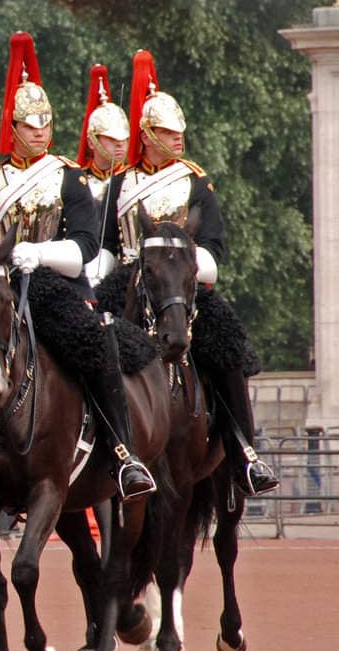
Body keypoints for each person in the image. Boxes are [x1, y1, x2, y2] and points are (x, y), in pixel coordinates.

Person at [0, 32, 155, 501]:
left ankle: (123, 452)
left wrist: (41, 254)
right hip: (1, 290)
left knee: (97, 345)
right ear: (12, 127)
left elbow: (87, 246)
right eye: (31, 126)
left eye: (45, 125)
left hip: (58, 291)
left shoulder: (68, 178)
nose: (40, 133)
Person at [104, 50, 277, 496]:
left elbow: (214, 247)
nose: (177, 139)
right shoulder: (119, 184)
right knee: (88, 345)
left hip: (184, 287)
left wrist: (184, 268)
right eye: (166, 132)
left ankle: (245, 453)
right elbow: (104, 246)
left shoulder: (196, 182)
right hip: (127, 283)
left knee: (227, 349)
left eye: (179, 132)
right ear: (146, 135)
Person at [77, 64, 129, 283]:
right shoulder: (76, 181)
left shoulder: (133, 181)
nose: (120, 146)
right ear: (92, 141)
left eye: (123, 139)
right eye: (111, 139)